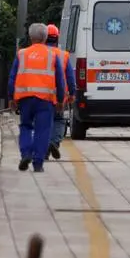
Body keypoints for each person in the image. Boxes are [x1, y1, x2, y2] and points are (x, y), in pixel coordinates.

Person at [7, 22, 66, 173]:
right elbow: (60, 80)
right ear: (45, 37)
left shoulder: (21, 54)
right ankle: (38, 163)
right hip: (45, 100)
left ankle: (26, 153)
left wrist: (11, 98)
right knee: (43, 130)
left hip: (25, 98)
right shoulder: (52, 55)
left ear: (30, 37)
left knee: (25, 126)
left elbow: (12, 78)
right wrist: (60, 100)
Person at [45, 24, 77, 160]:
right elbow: (70, 77)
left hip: (41, 95)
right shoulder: (63, 55)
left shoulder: (38, 54)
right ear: (57, 38)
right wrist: (72, 94)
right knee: (59, 120)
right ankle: (53, 142)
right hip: (59, 96)